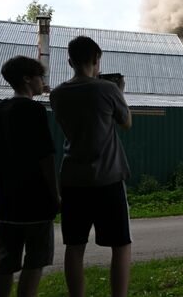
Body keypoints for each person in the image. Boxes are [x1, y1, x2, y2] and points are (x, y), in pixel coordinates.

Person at [49, 36, 133, 297]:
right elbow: (126, 122)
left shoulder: (57, 94)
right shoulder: (107, 90)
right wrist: (118, 91)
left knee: (74, 246)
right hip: (107, 179)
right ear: (97, 59)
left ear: (70, 61)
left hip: (73, 181)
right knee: (120, 245)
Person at [0, 56, 60, 297]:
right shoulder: (34, 110)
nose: (43, 82)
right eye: (40, 76)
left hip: (6, 203)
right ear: (27, 78)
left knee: (6, 262)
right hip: (35, 203)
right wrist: (54, 193)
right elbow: (46, 157)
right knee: (35, 261)